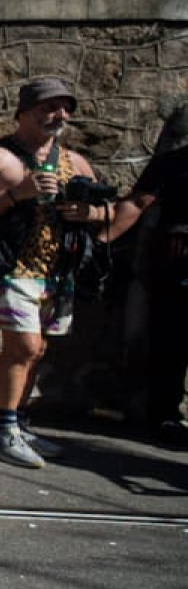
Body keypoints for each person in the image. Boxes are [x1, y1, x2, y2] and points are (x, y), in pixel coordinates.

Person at [0, 77, 112, 469]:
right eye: (48, 107)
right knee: (21, 347)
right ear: (23, 112)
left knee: (38, 349)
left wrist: (86, 213)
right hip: (13, 267)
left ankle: (19, 424)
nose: (59, 115)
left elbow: (105, 210)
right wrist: (13, 196)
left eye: (64, 108)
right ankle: (1, 430)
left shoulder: (76, 162)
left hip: (58, 271)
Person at [107, 102, 188, 438]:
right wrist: (101, 238)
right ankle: (166, 413)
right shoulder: (174, 163)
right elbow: (137, 203)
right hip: (179, 258)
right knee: (173, 338)